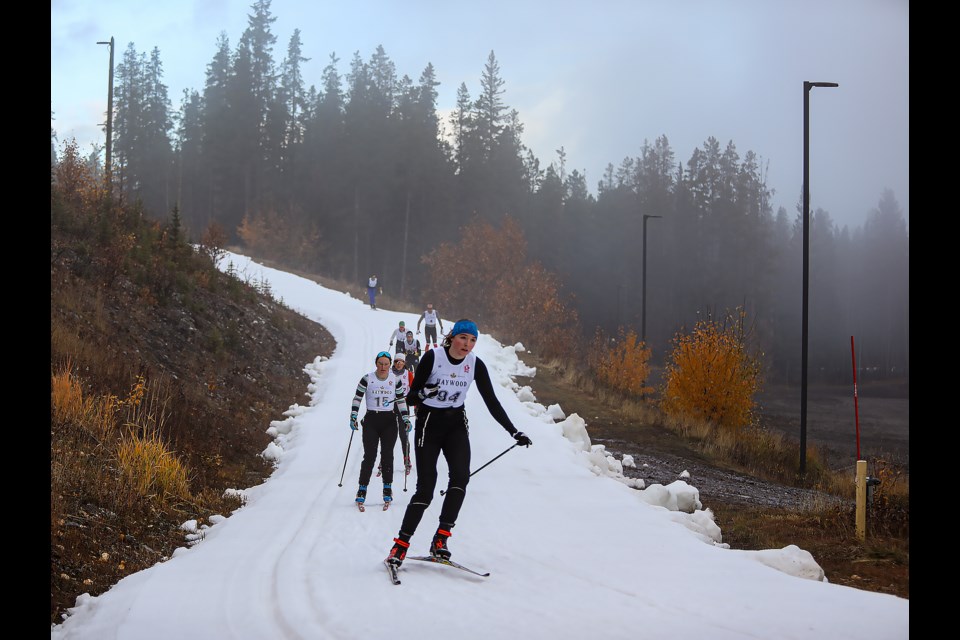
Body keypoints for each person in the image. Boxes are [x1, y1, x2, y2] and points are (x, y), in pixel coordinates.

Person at [384, 319, 533, 567]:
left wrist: (513, 431)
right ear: (452, 337)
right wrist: (424, 393)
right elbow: (410, 397)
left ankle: (441, 539)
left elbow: (492, 401)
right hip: (429, 425)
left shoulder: (475, 364)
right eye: (464, 338)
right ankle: (400, 545)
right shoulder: (433, 358)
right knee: (426, 489)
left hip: (455, 425)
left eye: (473, 340)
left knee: (461, 478)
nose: (468, 344)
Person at [350, 351, 411, 509]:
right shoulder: (367, 378)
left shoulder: (394, 380)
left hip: (389, 421)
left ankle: (387, 489)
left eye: (386, 364)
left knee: (387, 456)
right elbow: (358, 397)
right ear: (376, 364)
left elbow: (401, 401)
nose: (383, 367)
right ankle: (362, 490)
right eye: (380, 363)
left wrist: (405, 418)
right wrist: (354, 416)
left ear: (389, 365)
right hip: (371, 420)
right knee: (369, 456)